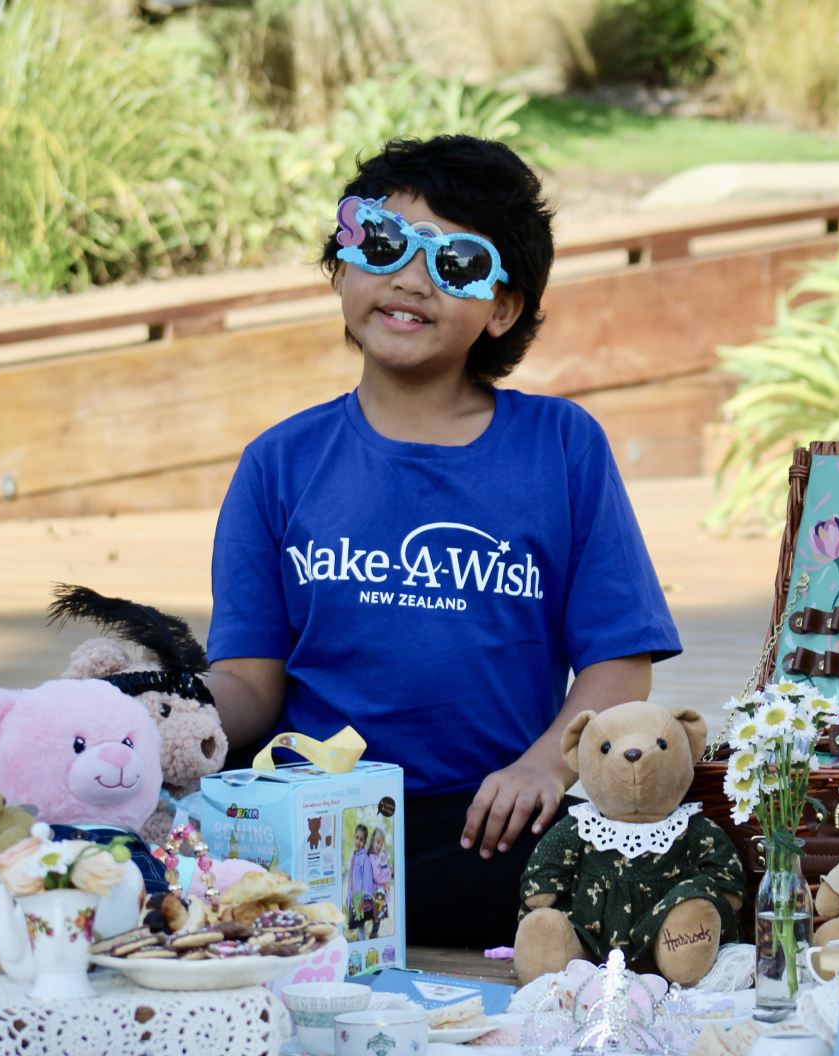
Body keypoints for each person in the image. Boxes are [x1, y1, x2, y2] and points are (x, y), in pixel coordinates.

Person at [203, 134, 681, 947]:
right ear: (342, 266)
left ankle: (338, 919)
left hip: (488, 823)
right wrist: (165, 722)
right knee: (179, 847)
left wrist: (543, 766)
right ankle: (319, 908)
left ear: (502, 307)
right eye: (385, 244)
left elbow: (618, 662)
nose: (412, 279)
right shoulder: (279, 463)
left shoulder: (561, 446)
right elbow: (250, 682)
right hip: (313, 814)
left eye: (456, 264)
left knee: (624, 871)